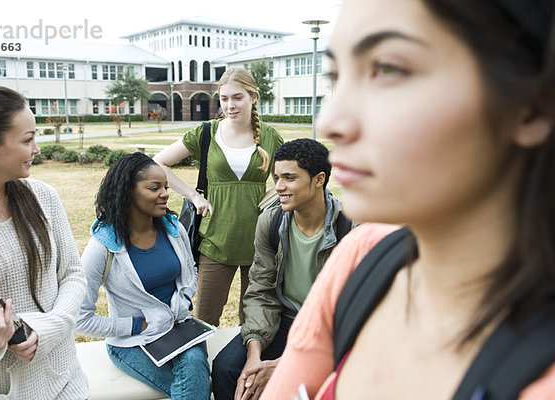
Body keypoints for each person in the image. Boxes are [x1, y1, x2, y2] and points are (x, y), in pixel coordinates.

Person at [262, 0, 555, 399]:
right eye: (335, 75)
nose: (331, 121)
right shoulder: (363, 256)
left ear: (530, 108)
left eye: (387, 69)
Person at [0, 85, 89, 399]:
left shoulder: (43, 197)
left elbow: (72, 274)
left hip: (62, 384)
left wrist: (49, 328)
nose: (37, 149)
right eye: (27, 139)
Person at [212, 139, 353, 400]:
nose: (278, 187)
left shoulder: (350, 228)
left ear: (319, 179)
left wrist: (285, 364)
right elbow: (261, 291)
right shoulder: (271, 220)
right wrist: (254, 356)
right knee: (227, 369)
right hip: (285, 320)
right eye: (276, 177)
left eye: (289, 178)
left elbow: (354, 312)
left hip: (330, 330)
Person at [154, 68, 284, 326]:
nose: (230, 105)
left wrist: (272, 196)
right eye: (224, 99)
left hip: (260, 242)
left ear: (253, 97)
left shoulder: (270, 136)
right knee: (204, 318)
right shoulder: (205, 133)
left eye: (237, 97)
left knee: (255, 320)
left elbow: (289, 177)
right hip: (215, 240)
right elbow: (158, 164)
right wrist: (193, 195)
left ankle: (247, 366)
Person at [75, 152, 209, 400]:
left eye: (166, 187)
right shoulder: (103, 245)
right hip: (132, 343)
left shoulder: (173, 228)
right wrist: (137, 325)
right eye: (154, 188)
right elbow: (79, 318)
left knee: (193, 360)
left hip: (179, 329)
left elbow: (190, 273)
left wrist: (183, 303)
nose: (166, 194)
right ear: (128, 191)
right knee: (194, 382)